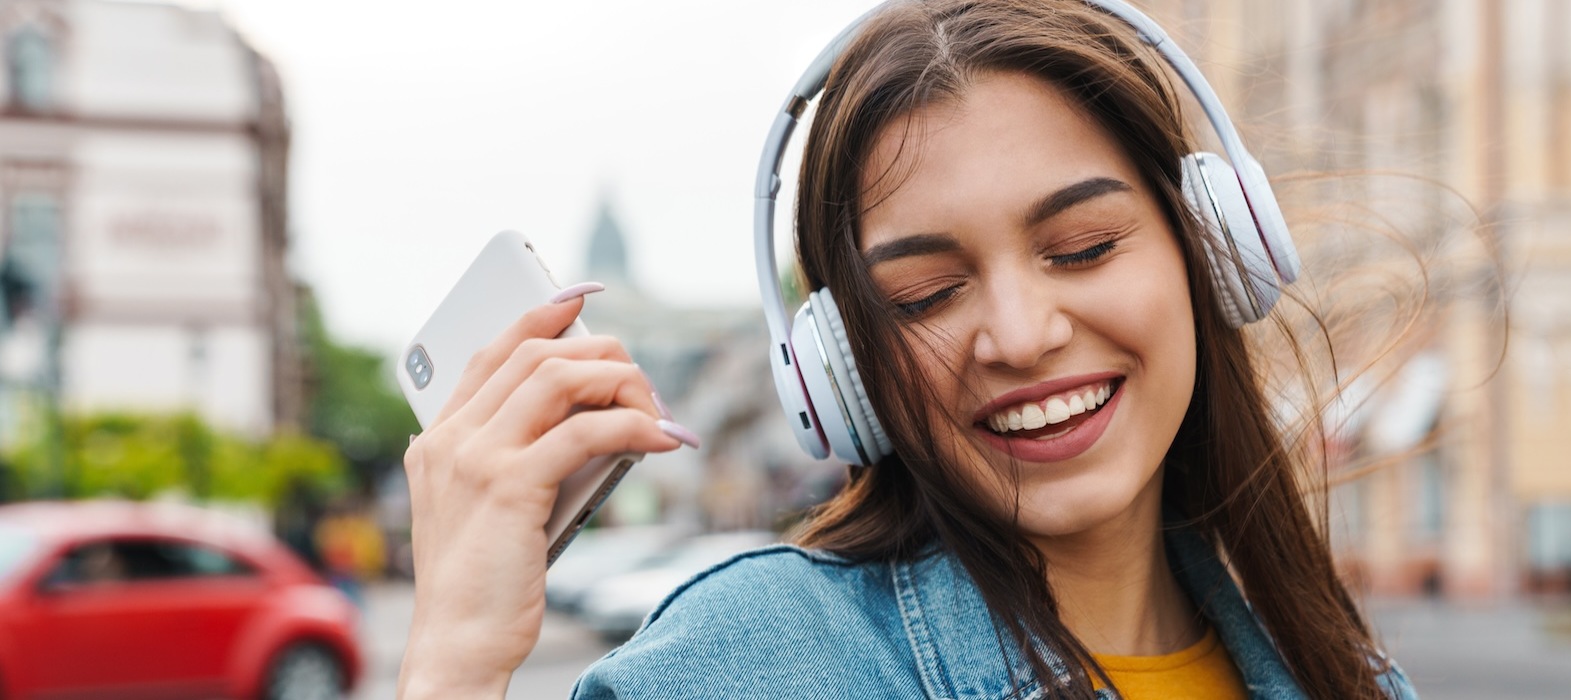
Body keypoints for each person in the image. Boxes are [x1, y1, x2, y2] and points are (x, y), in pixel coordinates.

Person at [398, 1, 1418, 698]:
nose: (1021, 336)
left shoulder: (1346, 677)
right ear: (841, 372)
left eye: (1083, 247)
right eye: (926, 295)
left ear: (1214, 249)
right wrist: (454, 660)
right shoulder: (751, 664)